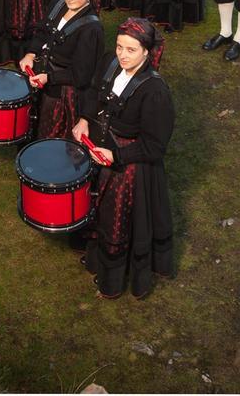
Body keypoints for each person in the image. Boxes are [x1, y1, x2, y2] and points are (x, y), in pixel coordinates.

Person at [72, 17, 175, 300]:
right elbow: (95, 92)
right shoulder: (110, 62)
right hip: (101, 147)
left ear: (147, 52)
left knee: (115, 220)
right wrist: (85, 119)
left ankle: (114, 277)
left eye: (131, 50)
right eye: (119, 47)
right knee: (95, 208)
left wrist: (116, 155)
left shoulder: (155, 91)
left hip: (130, 168)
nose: (122, 55)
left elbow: (154, 146)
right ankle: (96, 258)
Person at [18, 0, 103, 141]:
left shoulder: (91, 29)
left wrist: (49, 78)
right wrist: (31, 54)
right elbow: (42, 31)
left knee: (50, 135)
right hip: (42, 74)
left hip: (62, 90)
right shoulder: (58, 3)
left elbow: (81, 75)